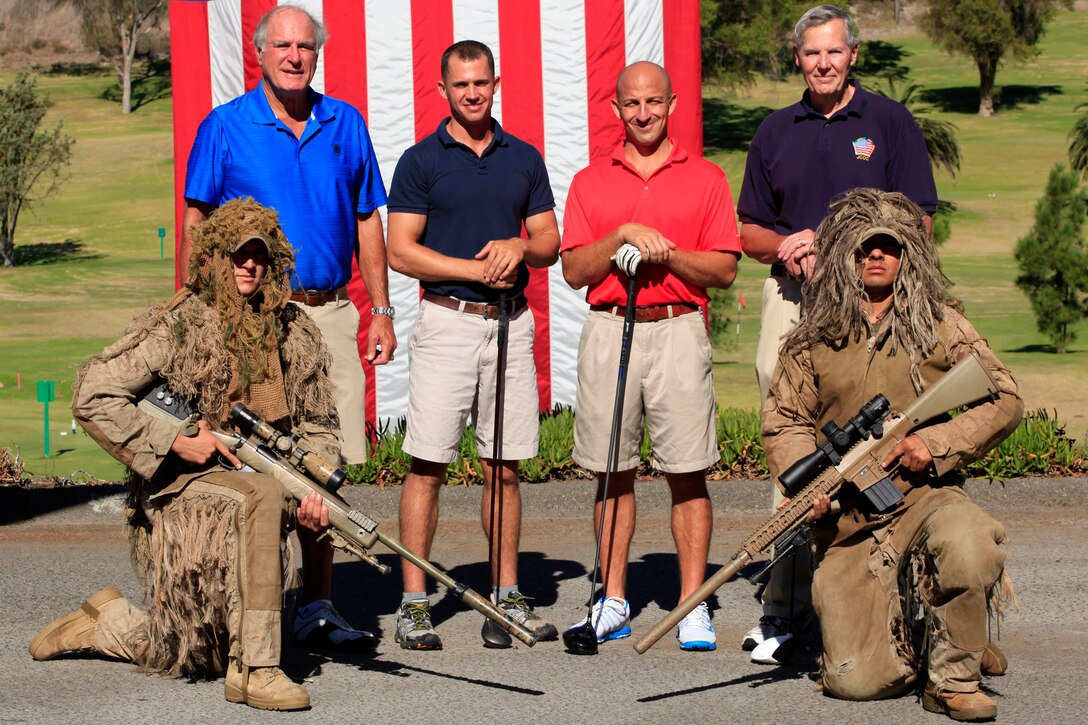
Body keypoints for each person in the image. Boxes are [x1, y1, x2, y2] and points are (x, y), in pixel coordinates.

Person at [28, 199, 347, 711]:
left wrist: (315, 487)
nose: (249, 265)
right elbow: (94, 393)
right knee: (262, 495)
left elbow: (319, 424)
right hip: (187, 485)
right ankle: (259, 669)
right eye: (238, 254)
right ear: (215, 257)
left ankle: (109, 623)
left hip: (260, 480)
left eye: (260, 257)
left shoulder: (292, 329)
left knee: (194, 656)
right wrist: (176, 441)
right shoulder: (181, 324)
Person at [762, 188, 1022, 721]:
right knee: (858, 682)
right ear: (843, 257)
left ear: (908, 254)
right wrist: (806, 488)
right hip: (850, 522)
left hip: (926, 499)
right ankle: (942, 633)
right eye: (862, 248)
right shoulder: (812, 338)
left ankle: (953, 677)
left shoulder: (941, 326)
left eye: (887, 246)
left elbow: (1006, 399)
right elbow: (786, 421)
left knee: (969, 542)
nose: (874, 255)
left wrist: (934, 444)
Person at [180, 4, 392, 650]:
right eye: (283, 46)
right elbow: (195, 223)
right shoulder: (224, 128)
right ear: (260, 54)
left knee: (323, 464)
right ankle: (260, 604)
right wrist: (199, 313)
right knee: (260, 457)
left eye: (306, 46)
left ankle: (318, 604)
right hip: (253, 320)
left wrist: (380, 308)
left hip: (328, 311)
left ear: (317, 53)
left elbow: (366, 221)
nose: (295, 56)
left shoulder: (345, 123)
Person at [735, 3, 938, 659]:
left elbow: (921, 221)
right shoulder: (774, 130)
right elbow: (748, 231)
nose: (823, 63)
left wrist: (850, 248)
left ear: (854, 55)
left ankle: (888, 607)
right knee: (793, 445)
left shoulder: (888, 122)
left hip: (873, 306)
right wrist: (787, 243)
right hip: (793, 301)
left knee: (879, 446)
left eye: (834, 51)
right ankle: (786, 610)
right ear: (798, 58)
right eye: (811, 53)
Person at [385, 40, 561, 650]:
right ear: (443, 90)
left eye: (481, 82)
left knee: (504, 466)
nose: (473, 93)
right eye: (461, 85)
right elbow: (400, 249)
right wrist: (469, 265)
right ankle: (413, 602)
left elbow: (550, 240)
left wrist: (520, 248)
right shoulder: (419, 160)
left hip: (512, 322)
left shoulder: (524, 157)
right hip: (448, 320)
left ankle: (505, 594)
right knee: (428, 464)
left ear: (496, 82)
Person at [559, 61, 741, 651]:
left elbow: (724, 268)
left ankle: (691, 604)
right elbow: (573, 270)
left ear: (672, 104)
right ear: (616, 109)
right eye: (632, 104)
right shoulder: (591, 181)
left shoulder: (706, 178)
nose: (643, 114)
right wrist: (620, 237)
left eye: (654, 103)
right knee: (613, 470)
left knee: (687, 471)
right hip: (611, 327)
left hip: (677, 328)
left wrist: (667, 256)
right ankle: (612, 598)